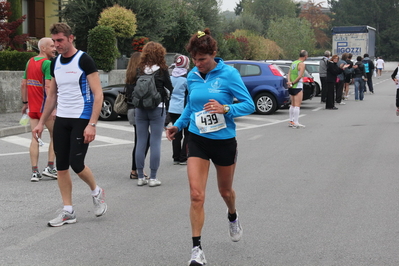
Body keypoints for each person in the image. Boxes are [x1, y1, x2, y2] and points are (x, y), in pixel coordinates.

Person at [165, 29, 255, 266]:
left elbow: (249, 104)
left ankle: (233, 216)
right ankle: (197, 251)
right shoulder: (193, 76)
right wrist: (178, 125)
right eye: (195, 59)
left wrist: (226, 109)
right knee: (196, 195)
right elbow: (190, 107)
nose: (198, 64)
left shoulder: (229, 74)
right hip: (197, 138)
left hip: (224, 140)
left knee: (225, 192)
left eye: (202, 59)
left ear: (214, 54)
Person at [32, 23, 107, 227]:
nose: (57, 45)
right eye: (54, 41)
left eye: (60, 41)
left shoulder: (84, 60)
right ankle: (68, 211)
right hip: (62, 119)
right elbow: (52, 95)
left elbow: (98, 94)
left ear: (71, 38)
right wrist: (40, 122)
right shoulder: (55, 62)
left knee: (77, 164)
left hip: (82, 118)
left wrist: (92, 124)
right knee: (62, 166)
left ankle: (96, 191)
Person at [134, 41, 173, 187]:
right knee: (155, 142)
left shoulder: (140, 69)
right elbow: (170, 87)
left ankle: (139, 176)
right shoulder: (162, 70)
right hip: (157, 108)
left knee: (141, 141)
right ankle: (153, 177)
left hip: (140, 108)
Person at [20, 37, 58, 182]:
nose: (54, 49)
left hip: (33, 108)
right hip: (45, 109)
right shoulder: (47, 63)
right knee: (55, 136)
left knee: (35, 139)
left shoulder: (30, 61)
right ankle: (50, 167)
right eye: (51, 46)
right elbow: (48, 87)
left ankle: (34, 171)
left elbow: (23, 84)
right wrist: (53, 107)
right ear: (43, 48)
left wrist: (25, 103)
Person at [125, 52, 150, 179]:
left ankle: (135, 169)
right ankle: (136, 170)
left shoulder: (129, 77)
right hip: (139, 111)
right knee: (143, 140)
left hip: (131, 110)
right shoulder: (141, 77)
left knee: (140, 140)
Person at [169, 55, 190, 164]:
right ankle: (183, 157)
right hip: (183, 107)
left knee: (176, 133)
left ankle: (176, 157)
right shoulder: (186, 78)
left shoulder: (171, 76)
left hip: (172, 108)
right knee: (187, 134)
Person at [287, 50, 308, 128]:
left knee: (292, 104)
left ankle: (291, 120)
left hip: (291, 85)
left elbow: (289, 73)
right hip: (297, 85)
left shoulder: (294, 63)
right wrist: (293, 83)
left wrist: (289, 82)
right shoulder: (301, 64)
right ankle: (296, 122)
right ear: (305, 56)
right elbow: (300, 76)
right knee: (297, 105)